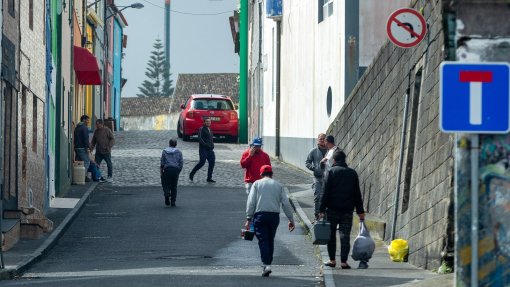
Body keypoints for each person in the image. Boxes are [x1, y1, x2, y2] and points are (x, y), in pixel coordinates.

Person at [319, 149, 366, 269]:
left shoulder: (330, 172)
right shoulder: (352, 173)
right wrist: (360, 211)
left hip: (332, 210)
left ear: (334, 160)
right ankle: (344, 262)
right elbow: (357, 194)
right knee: (345, 236)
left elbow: (325, 193)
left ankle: (332, 260)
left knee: (331, 236)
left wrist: (321, 209)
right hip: (347, 211)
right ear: (344, 160)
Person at [245, 165, 295, 277]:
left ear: (261, 174)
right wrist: (290, 219)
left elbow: (251, 201)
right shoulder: (279, 185)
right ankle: (268, 263)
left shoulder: (257, 184)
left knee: (263, 240)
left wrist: (249, 218)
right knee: (270, 239)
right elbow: (286, 203)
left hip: (260, 215)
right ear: (272, 174)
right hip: (274, 216)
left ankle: (266, 264)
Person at [305, 133, 328, 220]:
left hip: (328, 178)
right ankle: (317, 215)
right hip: (317, 178)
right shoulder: (313, 151)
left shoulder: (329, 151)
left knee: (327, 197)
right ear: (318, 140)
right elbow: (307, 162)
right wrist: (314, 168)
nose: (322, 140)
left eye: (324, 138)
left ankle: (326, 215)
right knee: (317, 196)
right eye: (320, 139)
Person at [189, 118, 216, 183]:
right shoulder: (201, 129)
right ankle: (192, 173)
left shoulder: (210, 130)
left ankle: (209, 178)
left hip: (210, 150)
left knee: (212, 163)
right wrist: (206, 145)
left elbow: (210, 139)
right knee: (202, 163)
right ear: (204, 122)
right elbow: (200, 139)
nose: (208, 122)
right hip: (203, 150)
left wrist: (212, 145)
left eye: (209, 121)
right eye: (206, 121)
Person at [160, 138, 184, 206]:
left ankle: (167, 194)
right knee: (174, 186)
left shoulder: (164, 151)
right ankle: (173, 201)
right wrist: (178, 171)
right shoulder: (179, 152)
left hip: (167, 169)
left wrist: (161, 171)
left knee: (165, 184)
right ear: (176, 144)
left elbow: (162, 162)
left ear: (169, 144)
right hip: (175, 170)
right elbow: (181, 163)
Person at [74, 115, 91, 180]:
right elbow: (85, 138)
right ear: (84, 120)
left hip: (77, 147)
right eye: (87, 120)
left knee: (78, 162)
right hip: (82, 148)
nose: (88, 122)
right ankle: (83, 177)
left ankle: (77, 177)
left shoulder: (77, 127)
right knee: (87, 162)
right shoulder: (84, 128)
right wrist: (87, 148)